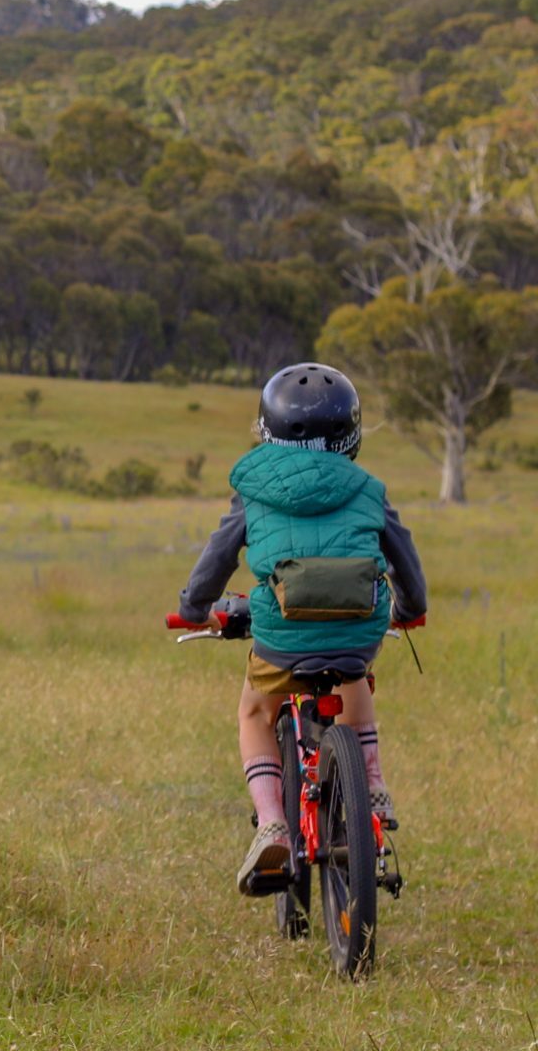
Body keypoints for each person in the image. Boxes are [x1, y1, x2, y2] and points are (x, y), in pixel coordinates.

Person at [177, 362, 428, 895]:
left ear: (267, 427)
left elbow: (218, 556)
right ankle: (374, 784)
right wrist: (409, 608)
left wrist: (196, 608)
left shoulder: (254, 486)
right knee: (354, 672)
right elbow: (404, 560)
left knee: (254, 710)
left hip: (282, 636)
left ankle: (271, 821)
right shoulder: (368, 488)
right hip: (359, 629)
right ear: (352, 432)